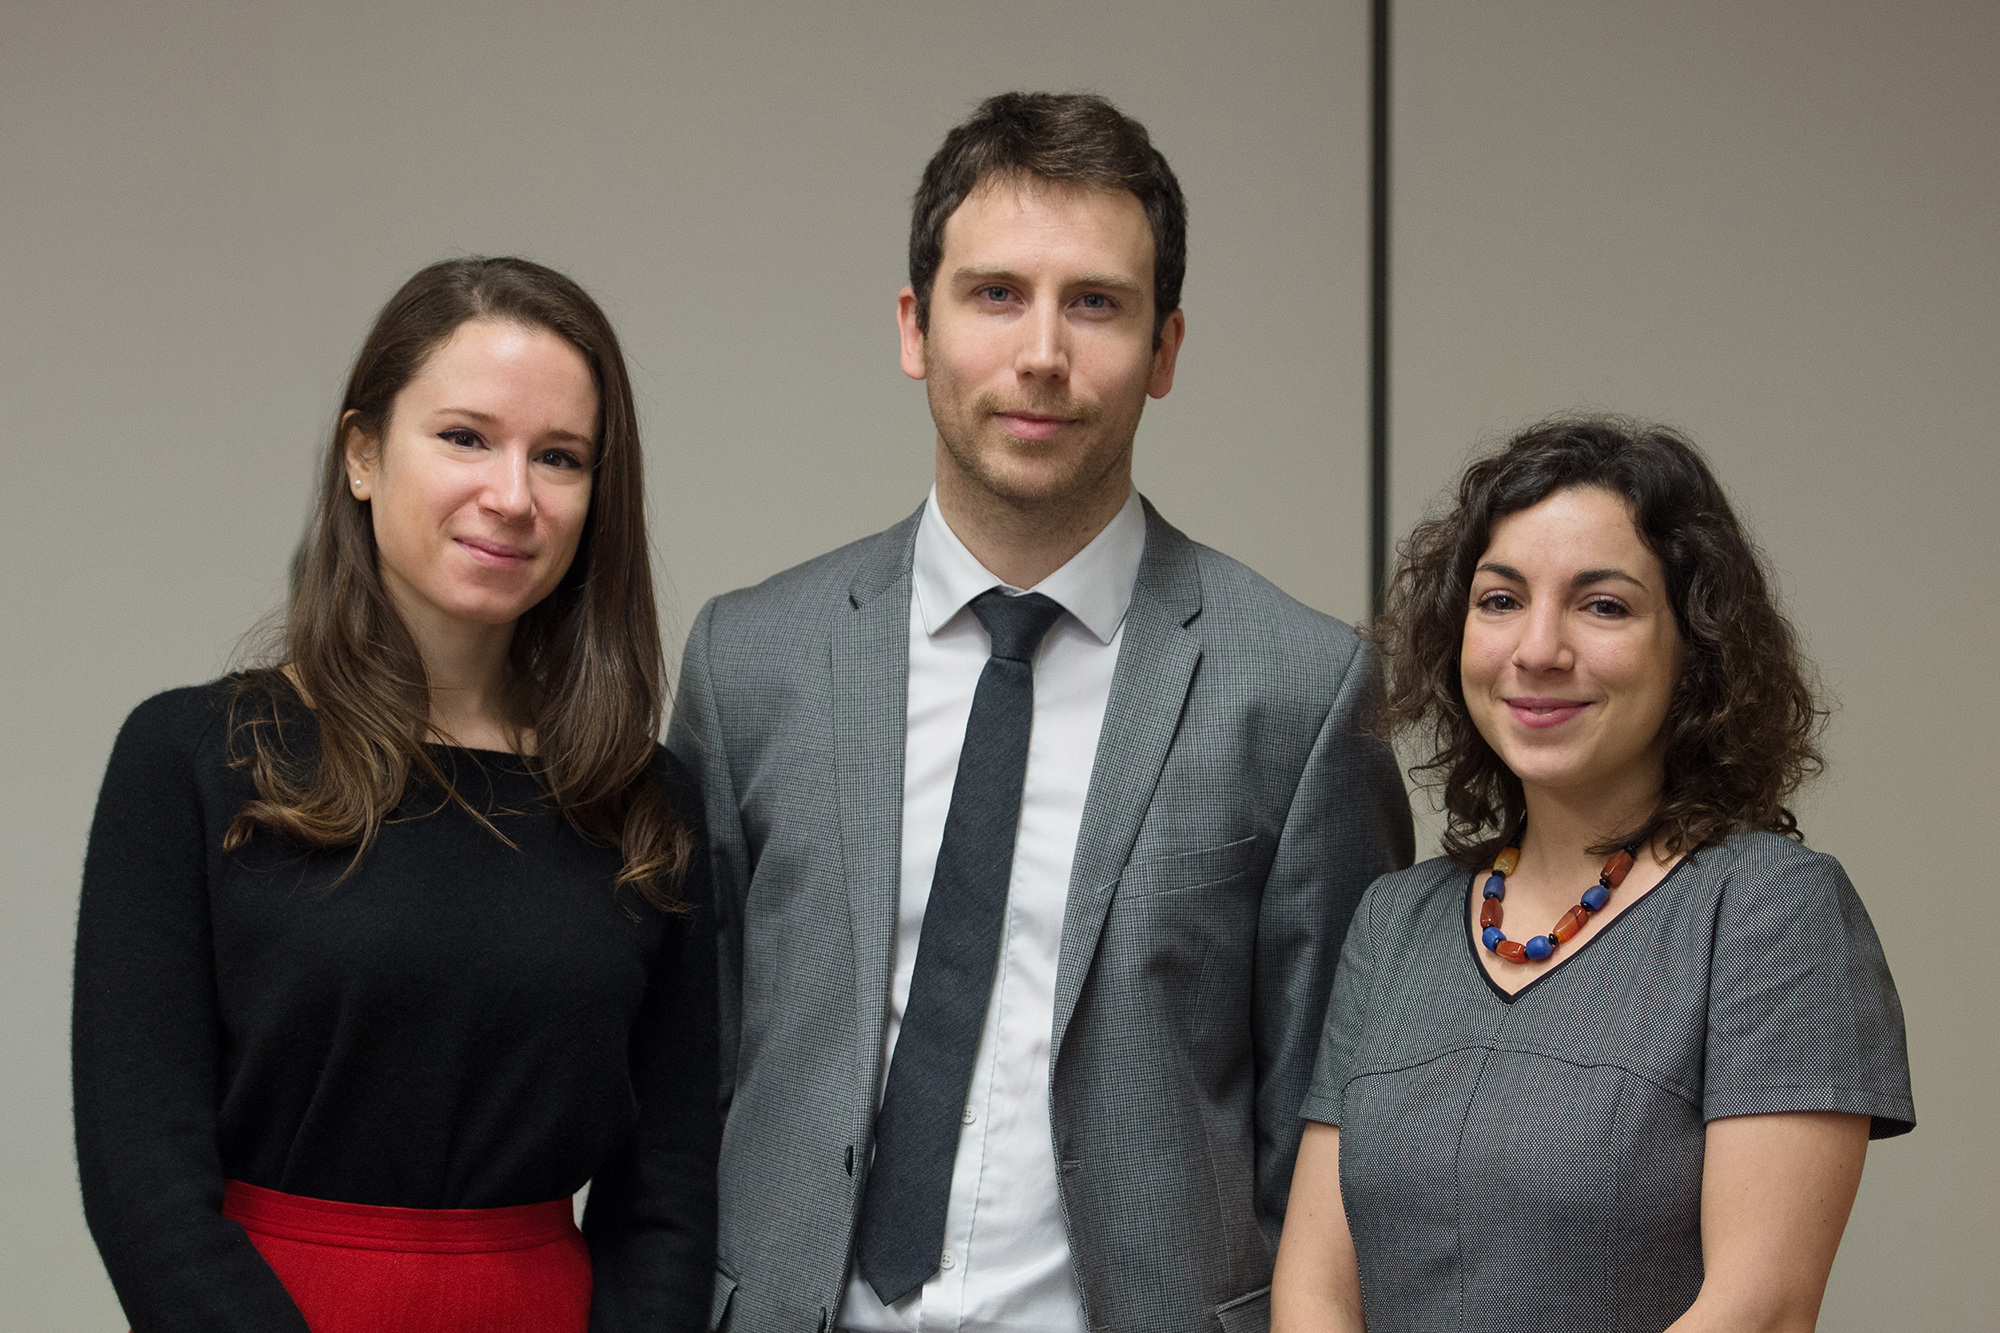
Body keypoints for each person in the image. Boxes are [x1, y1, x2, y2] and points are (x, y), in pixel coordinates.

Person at [668, 91, 1413, 1333]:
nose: (1042, 355)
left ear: (1166, 349)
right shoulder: (750, 661)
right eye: (995, 293)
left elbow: (1329, 1130)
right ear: (915, 325)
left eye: (1097, 303)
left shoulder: (1298, 688)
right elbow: (684, 1077)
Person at [72, 257, 717, 1333]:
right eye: (465, 437)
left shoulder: (645, 805)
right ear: (362, 454)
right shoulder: (188, 756)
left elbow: (669, 1200)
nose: (511, 495)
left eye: (558, 457)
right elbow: (142, 1179)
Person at [1270, 416, 1915, 1332]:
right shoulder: (1394, 920)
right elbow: (1315, 1292)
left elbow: (1759, 1307)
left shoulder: (1770, 911)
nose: (1537, 649)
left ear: (1695, 649)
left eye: (1602, 605)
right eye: (1500, 600)